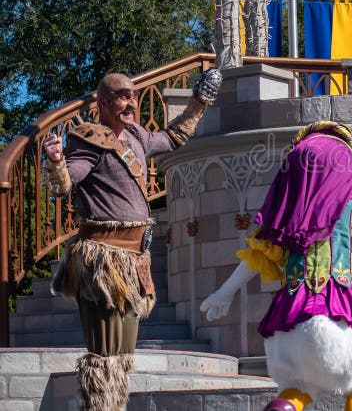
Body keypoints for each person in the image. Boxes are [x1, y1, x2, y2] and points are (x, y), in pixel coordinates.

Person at [200, 121, 352, 411]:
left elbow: (256, 259)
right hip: (344, 320)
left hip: (293, 325)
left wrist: (224, 293)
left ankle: (286, 405)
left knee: (297, 388)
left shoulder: (285, 220)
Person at [41, 69, 221, 410]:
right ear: (104, 103)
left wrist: (200, 102)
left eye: (133, 96)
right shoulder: (90, 139)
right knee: (105, 356)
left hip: (133, 261)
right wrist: (56, 160)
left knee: (123, 356)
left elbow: (172, 138)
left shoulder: (137, 136)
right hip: (104, 263)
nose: (131, 102)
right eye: (123, 96)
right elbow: (66, 183)